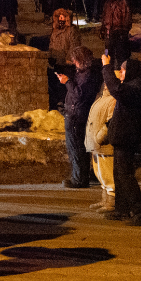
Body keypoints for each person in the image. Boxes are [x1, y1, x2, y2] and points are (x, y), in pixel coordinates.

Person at [101, 53, 141, 225]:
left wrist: (106, 67)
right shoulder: (132, 85)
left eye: (122, 70)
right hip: (122, 135)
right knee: (119, 174)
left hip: (127, 137)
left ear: (130, 72)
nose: (120, 73)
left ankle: (140, 210)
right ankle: (122, 209)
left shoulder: (135, 88)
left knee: (125, 175)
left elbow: (116, 90)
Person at [57, 46, 103, 189]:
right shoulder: (85, 73)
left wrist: (67, 82)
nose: (73, 62)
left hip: (77, 115)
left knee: (76, 147)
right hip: (76, 113)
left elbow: (78, 95)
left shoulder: (88, 75)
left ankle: (79, 178)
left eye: (75, 60)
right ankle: (84, 175)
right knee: (80, 147)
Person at [85, 84, 117, 213]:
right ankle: (105, 199)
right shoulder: (101, 98)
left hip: (104, 144)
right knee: (100, 173)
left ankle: (112, 202)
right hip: (96, 144)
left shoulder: (113, 100)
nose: (105, 85)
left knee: (108, 174)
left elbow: (110, 122)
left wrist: (100, 137)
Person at [100, 0, 133, 64]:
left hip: (119, 34)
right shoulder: (107, 3)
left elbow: (127, 19)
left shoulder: (123, 3)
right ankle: (108, 71)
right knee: (108, 56)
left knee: (120, 57)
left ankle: (120, 73)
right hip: (109, 34)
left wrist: (124, 32)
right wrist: (103, 29)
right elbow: (104, 17)